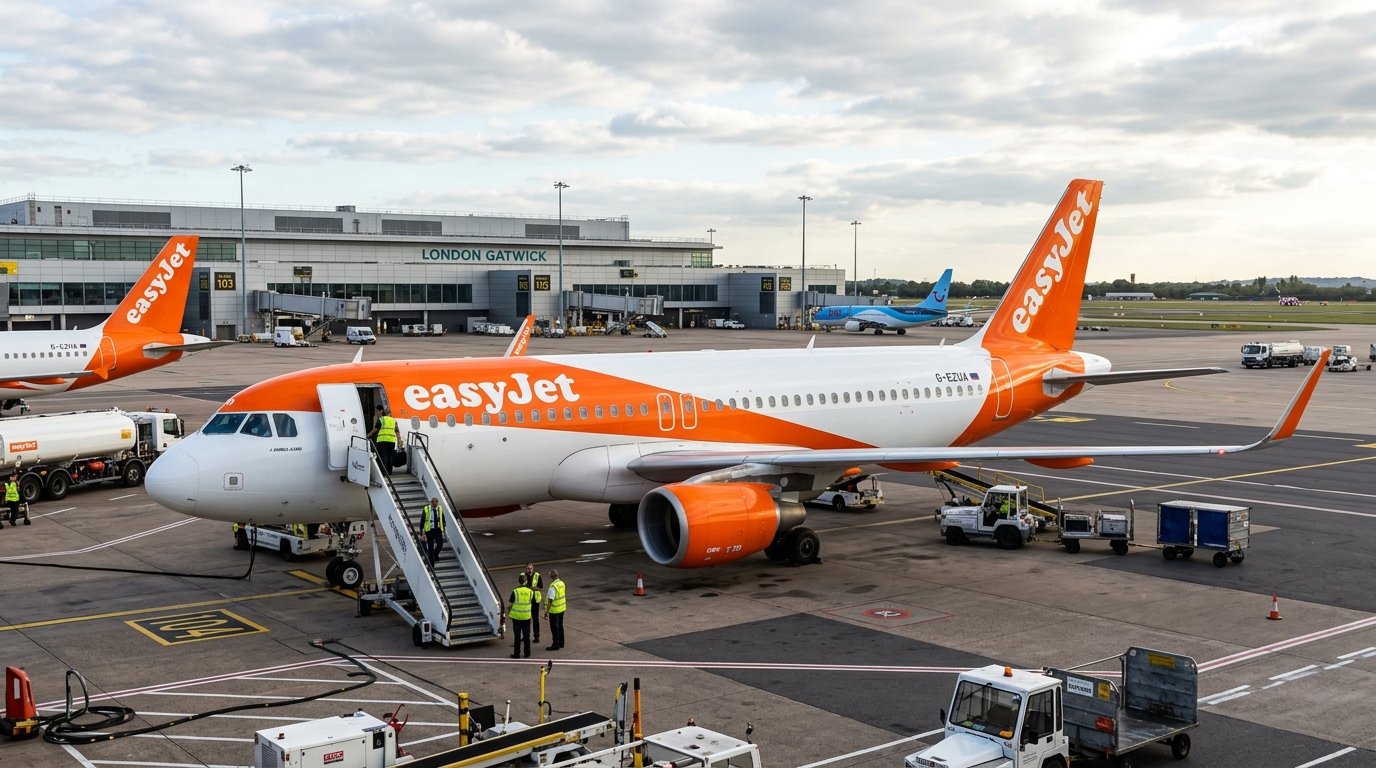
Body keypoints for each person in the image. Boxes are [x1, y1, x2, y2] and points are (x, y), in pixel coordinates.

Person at [507, 573, 535, 658]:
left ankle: (517, 654)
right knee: (527, 636)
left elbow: (510, 604)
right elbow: (532, 602)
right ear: (526, 581)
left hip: (516, 617)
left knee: (517, 636)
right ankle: (527, 653)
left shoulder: (515, 592)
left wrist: (509, 611)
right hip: (526, 617)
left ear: (519, 582)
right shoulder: (530, 592)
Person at [367, 404, 398, 476]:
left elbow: (375, 430)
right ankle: (389, 472)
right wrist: (399, 441)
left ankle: (383, 472)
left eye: (377, 411)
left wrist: (367, 436)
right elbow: (397, 431)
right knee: (390, 456)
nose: (376, 413)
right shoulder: (393, 420)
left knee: (383, 456)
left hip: (382, 440)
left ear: (381, 411)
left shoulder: (381, 419)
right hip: (392, 441)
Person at [544, 569, 566, 651]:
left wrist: (546, 611)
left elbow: (550, 600)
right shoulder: (562, 583)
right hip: (562, 608)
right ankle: (561, 643)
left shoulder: (553, 587)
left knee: (554, 628)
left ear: (551, 576)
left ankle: (555, 644)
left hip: (555, 610)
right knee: (560, 626)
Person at [421, 497, 445, 565]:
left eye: (436, 503)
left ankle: (435, 554)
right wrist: (421, 530)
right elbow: (422, 520)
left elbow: (442, 518)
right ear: (431, 503)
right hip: (429, 530)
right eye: (433, 503)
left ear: (437, 503)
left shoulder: (439, 508)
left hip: (438, 530)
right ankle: (432, 564)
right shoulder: (426, 509)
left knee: (440, 544)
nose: (435, 505)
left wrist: (443, 527)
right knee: (430, 547)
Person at [524, 563, 542, 645]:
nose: (529, 570)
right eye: (528, 568)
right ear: (526, 569)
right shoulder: (523, 575)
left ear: (533, 568)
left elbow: (541, 587)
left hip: (535, 601)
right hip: (526, 601)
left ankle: (536, 636)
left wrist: (532, 588)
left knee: (535, 619)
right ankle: (525, 636)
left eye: (531, 568)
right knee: (525, 619)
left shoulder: (537, 576)